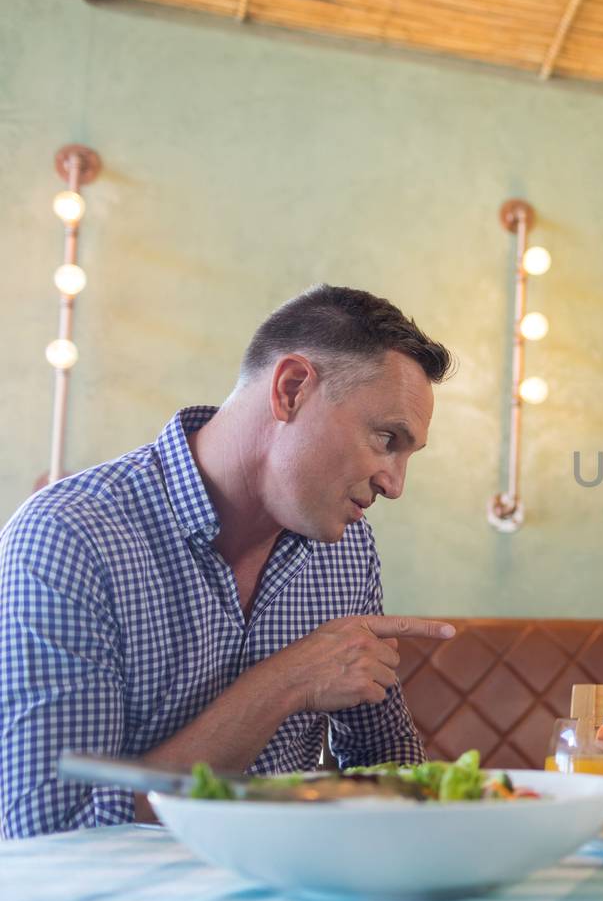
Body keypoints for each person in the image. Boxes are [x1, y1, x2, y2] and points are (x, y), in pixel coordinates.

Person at [0, 285, 458, 838]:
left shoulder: (348, 550)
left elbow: (386, 763)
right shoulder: (69, 538)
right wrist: (285, 682)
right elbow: (52, 833)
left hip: (297, 897)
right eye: (387, 439)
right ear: (291, 389)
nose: (395, 483)